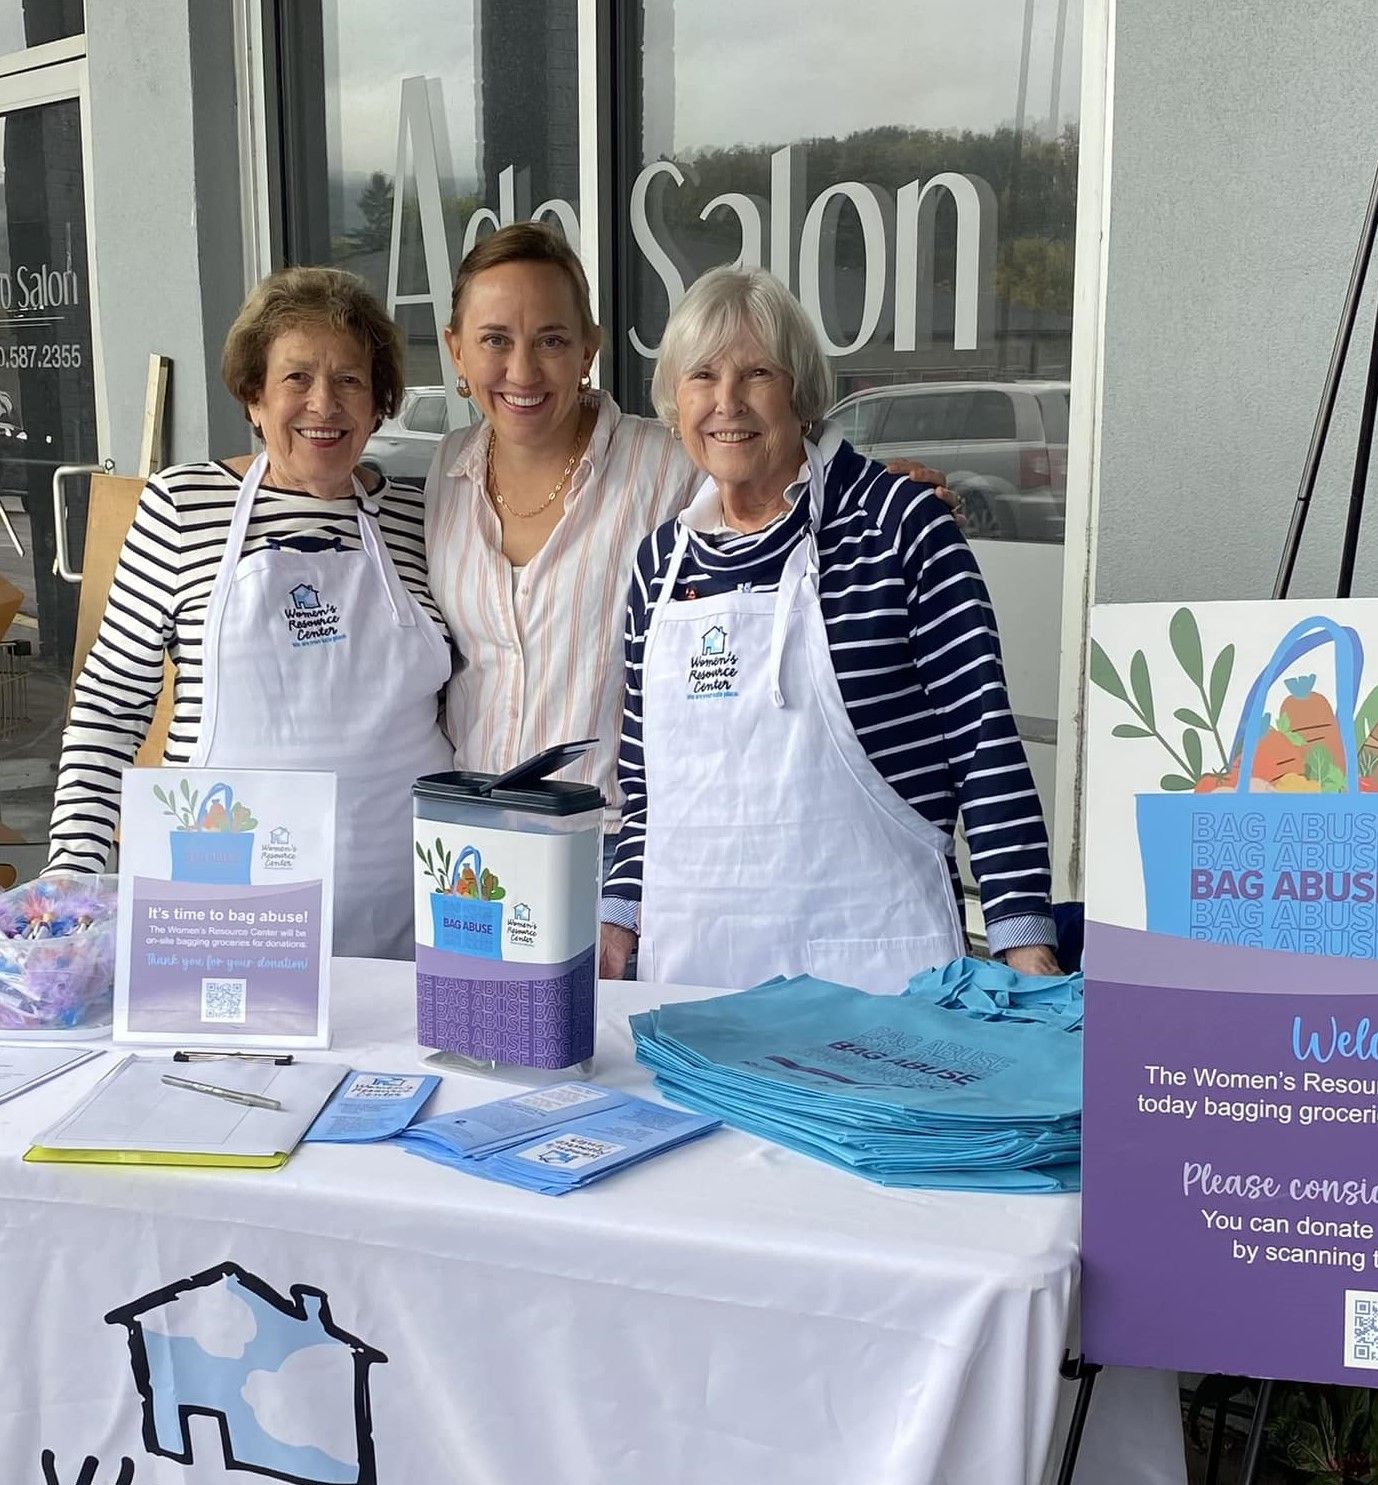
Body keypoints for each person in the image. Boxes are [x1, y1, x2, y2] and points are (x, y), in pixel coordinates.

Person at [426, 223, 959, 872]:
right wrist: (261, 465)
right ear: (455, 351)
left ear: (589, 347)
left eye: (552, 340)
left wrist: (876, 488)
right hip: (467, 847)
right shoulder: (441, 477)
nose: (522, 370)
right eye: (494, 341)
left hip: (621, 849)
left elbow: (773, 467)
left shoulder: (670, 463)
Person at [599, 265, 1060, 992]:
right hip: (691, 976)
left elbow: (984, 742)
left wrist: (1023, 942)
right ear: (674, 399)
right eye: (702, 376)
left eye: (757, 373)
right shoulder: (660, 561)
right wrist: (619, 918)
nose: (727, 402)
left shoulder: (903, 527)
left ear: (800, 393)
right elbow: (643, 782)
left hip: (878, 972)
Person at [46, 267, 453, 959]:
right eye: (296, 378)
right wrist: (72, 873)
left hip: (411, 911)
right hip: (223, 910)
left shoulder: (422, 515)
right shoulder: (183, 507)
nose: (323, 404)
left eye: (350, 380)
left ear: (380, 401)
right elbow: (111, 706)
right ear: (253, 396)